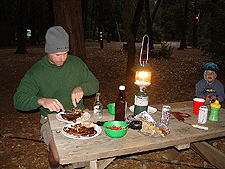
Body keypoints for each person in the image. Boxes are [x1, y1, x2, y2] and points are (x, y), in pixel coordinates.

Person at [14, 26, 99, 169]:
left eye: (65, 53)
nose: (62, 59)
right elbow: (18, 100)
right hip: (50, 119)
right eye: (57, 55)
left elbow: (94, 84)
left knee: (89, 155)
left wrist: (81, 88)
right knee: (56, 157)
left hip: (80, 116)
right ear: (47, 50)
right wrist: (40, 100)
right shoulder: (37, 72)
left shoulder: (76, 63)